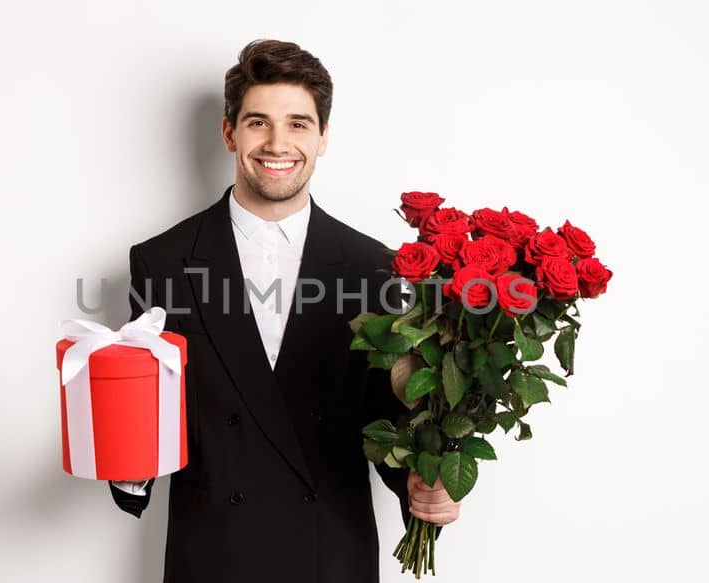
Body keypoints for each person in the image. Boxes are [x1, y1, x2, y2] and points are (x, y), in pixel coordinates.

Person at [107, 39, 461, 582]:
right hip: (213, 555)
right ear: (229, 133)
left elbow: (385, 410)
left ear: (323, 138)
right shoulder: (161, 261)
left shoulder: (378, 267)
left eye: (298, 124)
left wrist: (425, 479)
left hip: (331, 552)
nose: (278, 142)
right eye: (257, 122)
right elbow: (150, 410)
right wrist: (125, 458)